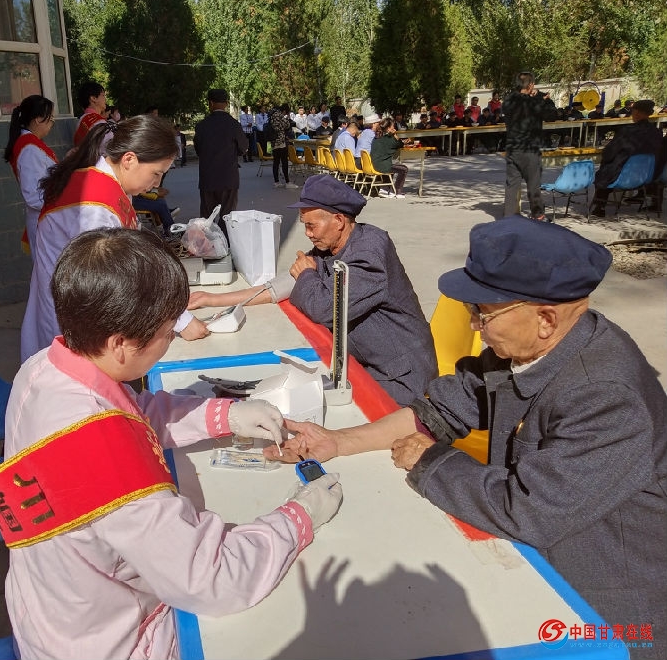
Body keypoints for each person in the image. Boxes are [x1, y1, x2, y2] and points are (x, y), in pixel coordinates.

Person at [266, 217, 667, 659]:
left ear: (545, 319)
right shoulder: (528, 349)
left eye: (483, 312)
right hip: (547, 560)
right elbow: (441, 408)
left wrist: (431, 461)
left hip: (604, 601)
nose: (474, 325)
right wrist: (340, 441)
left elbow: (529, 510)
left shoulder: (605, 396)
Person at [0, 227, 344, 660]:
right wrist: (298, 517)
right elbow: (212, 580)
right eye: (166, 332)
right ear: (120, 344)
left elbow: (131, 412)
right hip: (111, 643)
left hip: (50, 610)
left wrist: (225, 415)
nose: (172, 339)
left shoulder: (42, 369)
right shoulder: (110, 462)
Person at [188, 175, 437, 406]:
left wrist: (307, 275)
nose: (307, 234)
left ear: (338, 220)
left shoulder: (368, 254)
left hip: (401, 375)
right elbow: (281, 286)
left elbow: (324, 309)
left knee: (310, 405)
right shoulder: (333, 244)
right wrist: (212, 299)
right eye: (304, 225)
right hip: (368, 362)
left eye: (312, 226)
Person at [21, 115, 209, 362]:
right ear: (129, 159)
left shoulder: (109, 184)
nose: (156, 184)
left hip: (81, 300)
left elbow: (134, 244)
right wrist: (178, 320)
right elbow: (118, 274)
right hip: (73, 313)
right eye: (156, 173)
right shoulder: (95, 203)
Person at [589, 99, 663, 217]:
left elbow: (610, 152)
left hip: (624, 175)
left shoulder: (628, 131)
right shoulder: (656, 132)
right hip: (647, 176)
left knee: (606, 168)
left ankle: (600, 206)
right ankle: (651, 200)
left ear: (636, 112)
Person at [3, 95, 57, 256]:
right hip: (45, 219)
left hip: (48, 217)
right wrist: (63, 199)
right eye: (50, 118)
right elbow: (34, 195)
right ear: (38, 119)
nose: (52, 123)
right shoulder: (29, 148)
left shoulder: (32, 144)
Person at [502, 71, 557, 220]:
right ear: (531, 85)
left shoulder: (508, 101)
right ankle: (537, 215)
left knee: (512, 185)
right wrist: (543, 98)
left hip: (512, 148)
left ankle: (508, 218)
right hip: (529, 148)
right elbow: (552, 115)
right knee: (533, 184)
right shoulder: (534, 102)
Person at [193, 88, 248, 229]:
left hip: (208, 178)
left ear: (210, 103)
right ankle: (224, 240)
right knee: (227, 216)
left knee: (206, 218)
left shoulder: (201, 126)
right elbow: (243, 148)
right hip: (228, 177)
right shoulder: (234, 124)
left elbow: (198, 150)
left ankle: (207, 241)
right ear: (226, 103)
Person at [370, 117, 410, 198]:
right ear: (388, 128)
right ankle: (397, 191)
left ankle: (385, 188)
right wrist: (395, 134)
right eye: (392, 126)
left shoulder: (376, 137)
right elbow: (400, 144)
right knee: (404, 169)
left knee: (391, 165)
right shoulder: (389, 138)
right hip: (382, 166)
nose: (394, 128)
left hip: (374, 164)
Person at [269, 102, 298, 189]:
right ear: (284, 111)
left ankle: (276, 182)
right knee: (284, 161)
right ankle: (287, 182)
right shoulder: (280, 115)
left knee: (276, 162)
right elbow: (287, 125)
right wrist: (287, 119)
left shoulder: (273, 115)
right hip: (280, 141)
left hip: (274, 141)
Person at [73, 81, 108, 146]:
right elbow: (109, 146)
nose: (105, 99)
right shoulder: (98, 122)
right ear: (93, 98)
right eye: (103, 95)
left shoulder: (82, 119)